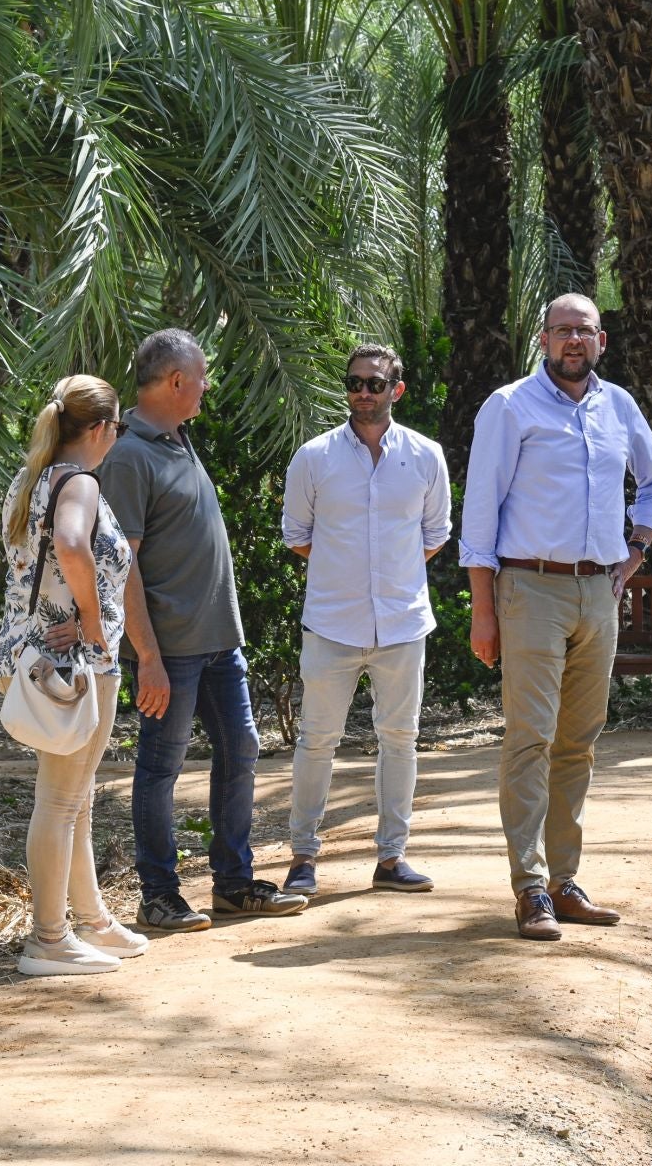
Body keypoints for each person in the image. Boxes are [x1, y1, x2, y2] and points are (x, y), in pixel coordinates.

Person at [459, 294, 652, 942]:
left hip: (598, 592)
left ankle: (564, 882)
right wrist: (483, 610)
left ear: (601, 340)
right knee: (531, 738)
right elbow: (480, 511)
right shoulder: (509, 407)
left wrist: (635, 551)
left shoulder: (619, 407)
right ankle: (529, 888)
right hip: (529, 588)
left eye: (584, 330)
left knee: (579, 741)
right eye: (562, 330)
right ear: (543, 340)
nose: (573, 340)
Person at [101, 328, 307, 928]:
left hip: (220, 643)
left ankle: (233, 884)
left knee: (241, 749)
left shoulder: (177, 439)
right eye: (201, 376)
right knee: (160, 768)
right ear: (175, 381)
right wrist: (148, 657)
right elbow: (123, 566)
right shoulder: (129, 455)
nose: (207, 386)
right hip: (172, 651)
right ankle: (159, 894)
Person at [279, 345, 451, 896]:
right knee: (316, 740)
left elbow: (435, 534)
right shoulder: (314, 457)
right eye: (354, 382)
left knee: (400, 739)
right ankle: (303, 857)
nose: (362, 392)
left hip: (402, 624)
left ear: (396, 390)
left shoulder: (425, 456)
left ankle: (392, 857)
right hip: (331, 622)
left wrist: (390, 575)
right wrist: (348, 572)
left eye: (374, 383)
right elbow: (297, 535)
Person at [0, 375, 147, 976]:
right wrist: (90, 620)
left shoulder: (31, 477)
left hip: (30, 656)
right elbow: (71, 543)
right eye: (118, 427)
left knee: (72, 798)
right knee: (61, 800)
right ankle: (48, 939)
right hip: (72, 664)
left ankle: (91, 920)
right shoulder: (78, 481)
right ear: (102, 428)